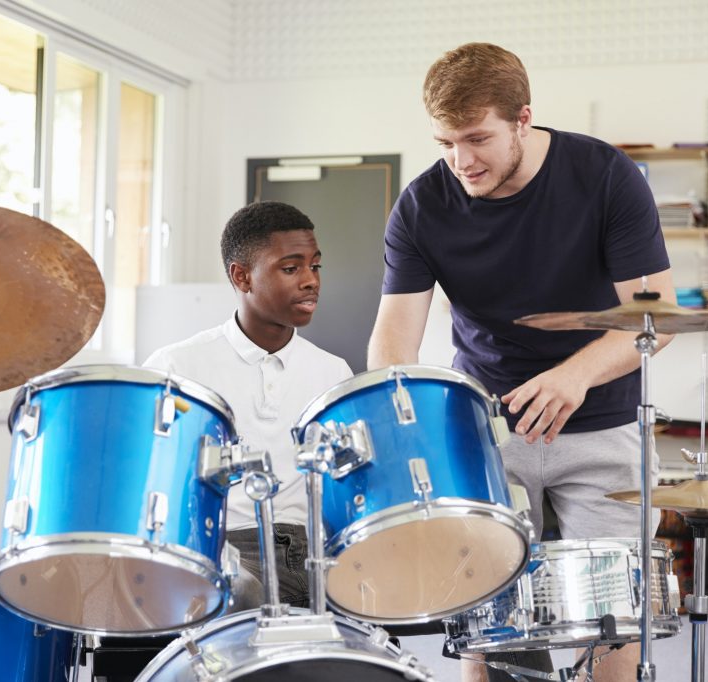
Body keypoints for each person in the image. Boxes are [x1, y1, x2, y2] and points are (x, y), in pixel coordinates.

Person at [366, 43, 675, 682]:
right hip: (488, 432)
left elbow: (658, 315)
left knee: (612, 627)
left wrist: (574, 375)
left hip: (603, 421)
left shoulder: (607, 175)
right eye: (446, 142)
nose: (461, 160)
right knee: (490, 631)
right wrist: (408, 421)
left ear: (524, 119)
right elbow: (393, 341)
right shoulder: (423, 205)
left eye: (477, 138)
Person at [144, 200, 353, 611]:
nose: (311, 281)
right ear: (242, 277)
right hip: (222, 549)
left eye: (316, 266)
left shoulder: (333, 372)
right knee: (244, 597)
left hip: (312, 551)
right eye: (292, 268)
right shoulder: (177, 367)